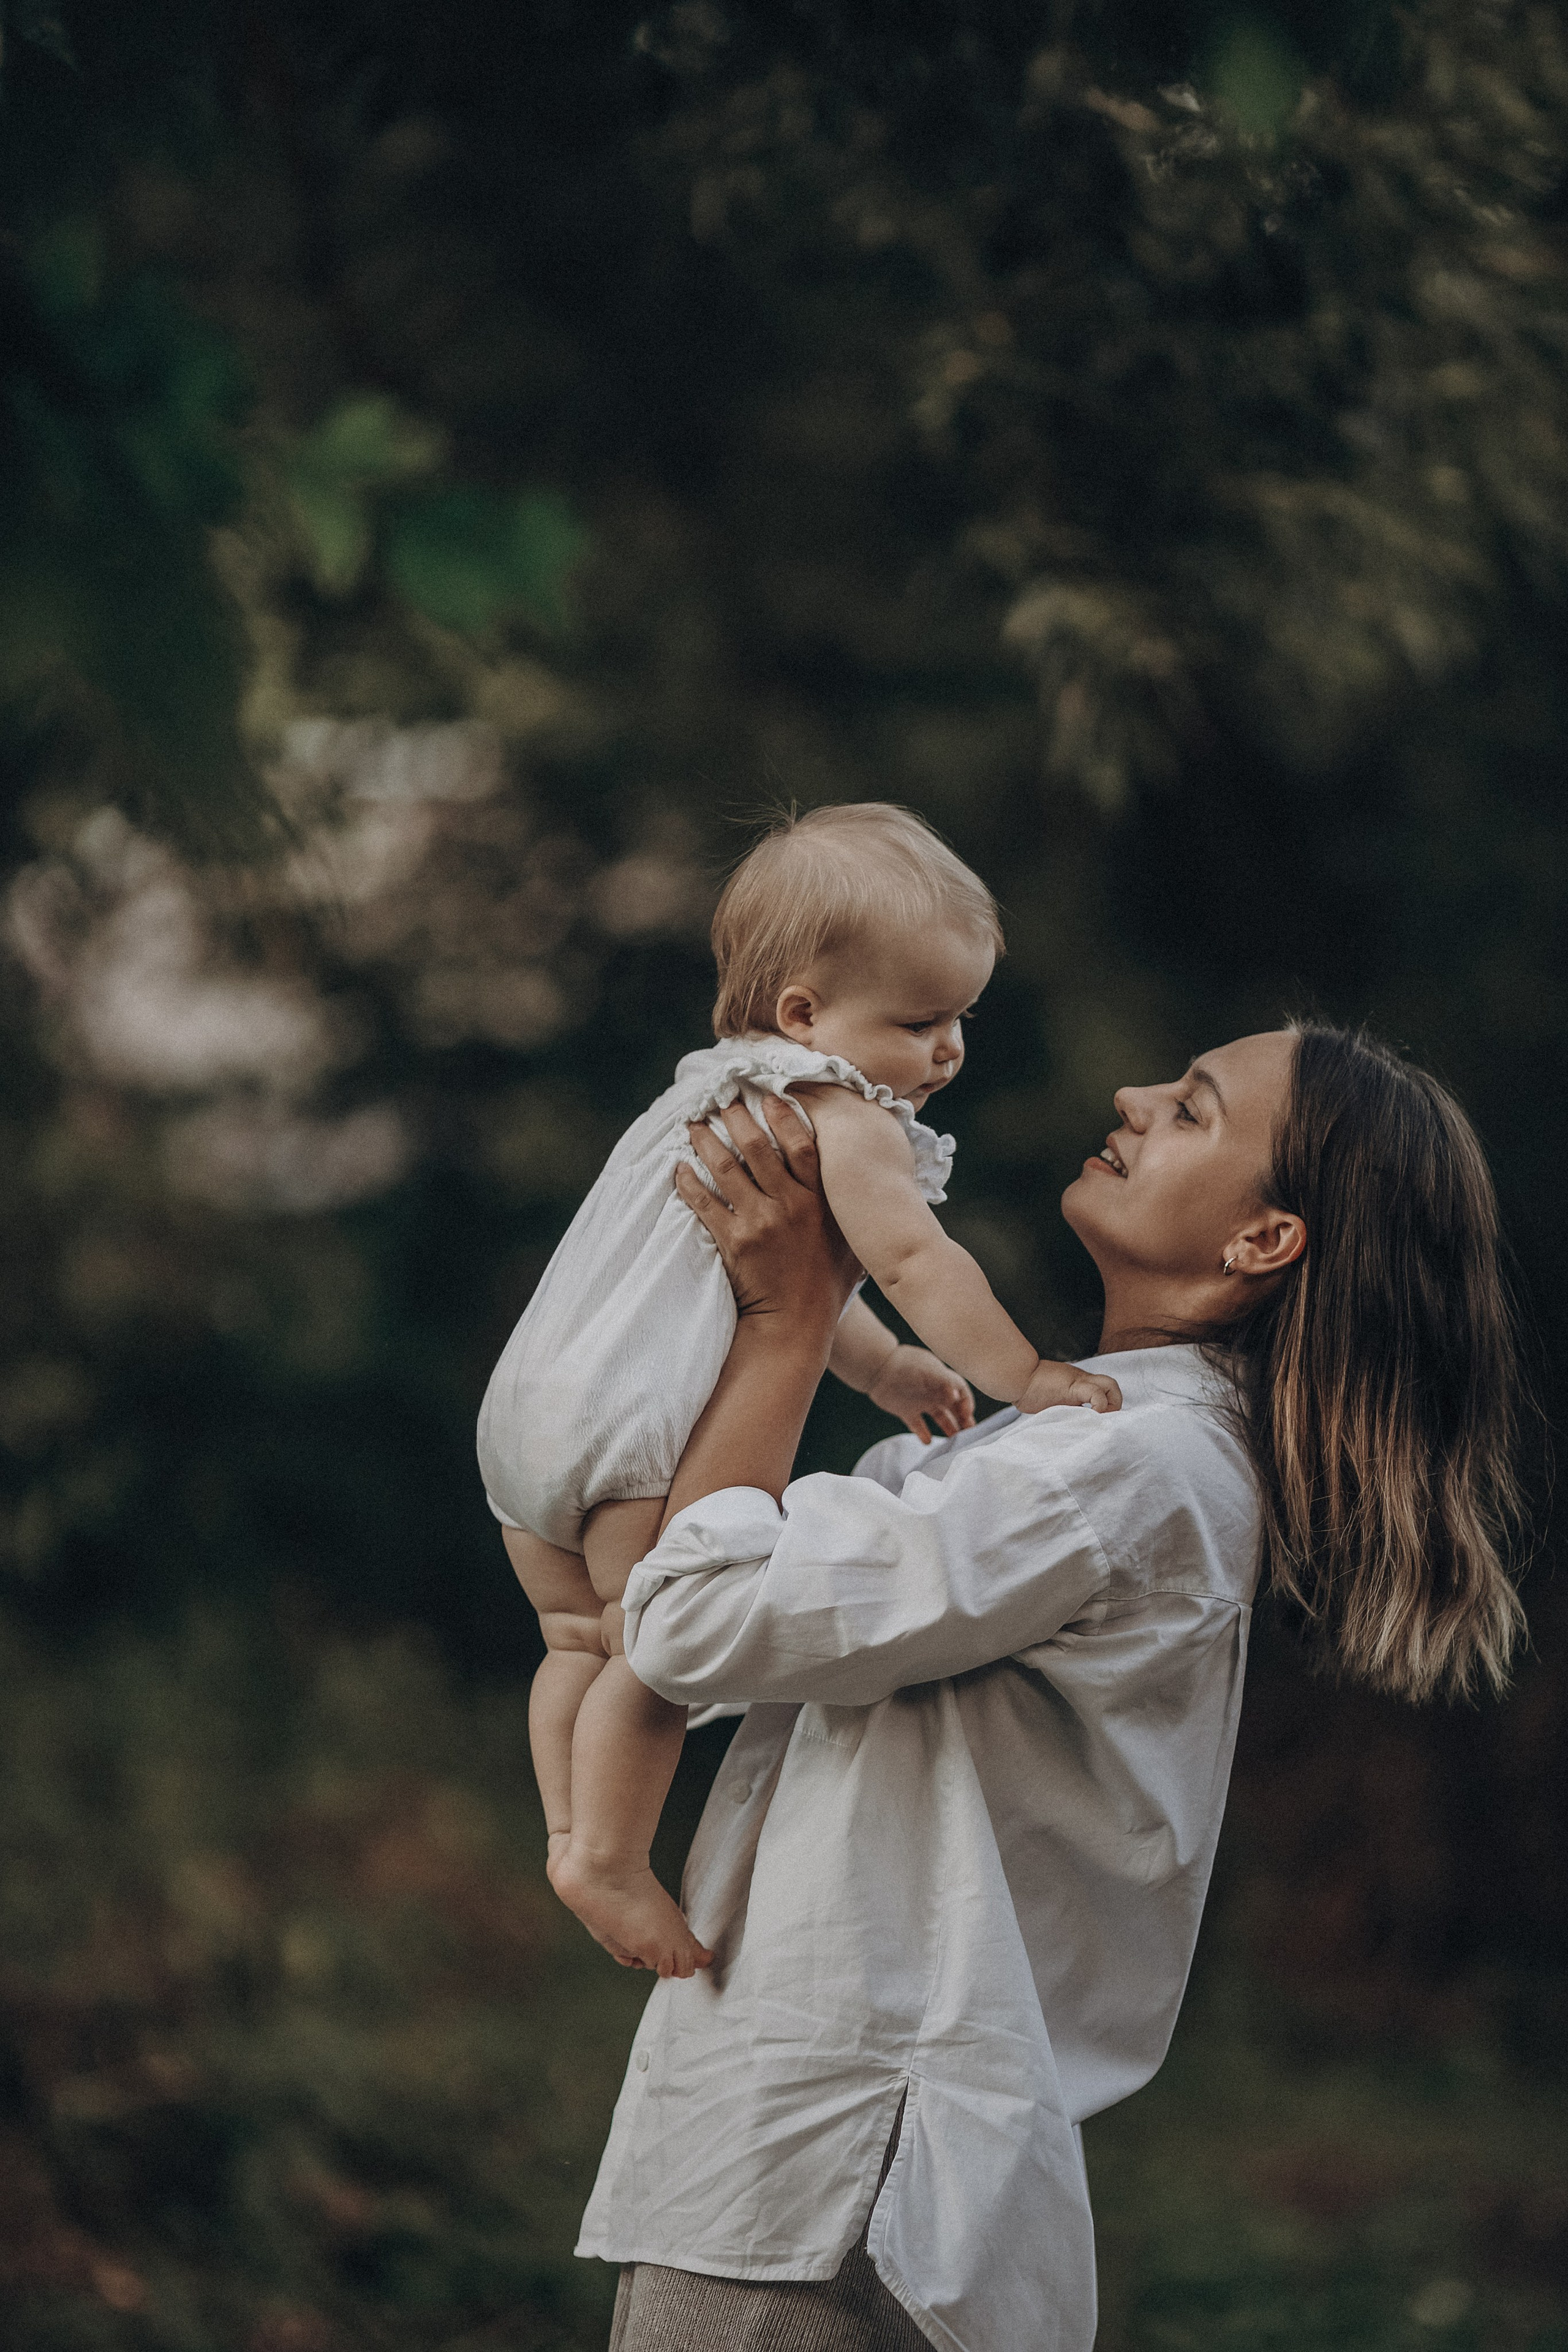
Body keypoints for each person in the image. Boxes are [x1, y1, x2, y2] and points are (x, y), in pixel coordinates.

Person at [579, 1022, 1525, 2352]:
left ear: (1262, 1241)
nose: (1133, 1098)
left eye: (1191, 1112)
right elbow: (716, 1627)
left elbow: (688, 1620)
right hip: (828, 2153)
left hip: (829, 2169)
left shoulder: (1119, 1471)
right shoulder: (1076, 1446)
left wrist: (791, 1317)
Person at [478, 804, 1119, 1977]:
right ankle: (604, 1855)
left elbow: (765, 1288)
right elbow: (911, 1259)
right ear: (805, 1016)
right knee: (649, 1652)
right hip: (635, 1435)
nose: (949, 1052)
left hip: (528, 1417)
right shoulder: (840, 1112)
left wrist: (881, 1369)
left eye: (961, 1019)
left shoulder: (709, 1094)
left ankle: (570, 1828)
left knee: (572, 1636)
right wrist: (1022, 1372)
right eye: (922, 1021)